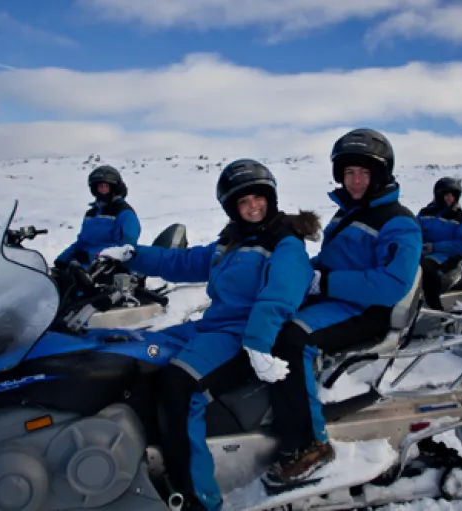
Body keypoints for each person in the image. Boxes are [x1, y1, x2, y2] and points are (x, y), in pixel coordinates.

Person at [99, 159, 320, 511]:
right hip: (210, 326)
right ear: (233, 208)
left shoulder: (285, 244)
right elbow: (181, 262)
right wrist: (132, 255)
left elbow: (280, 295)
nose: (252, 207)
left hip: (242, 335)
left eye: (257, 198)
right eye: (243, 202)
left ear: (270, 198)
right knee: (137, 354)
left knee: (180, 385)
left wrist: (259, 345)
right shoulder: (230, 243)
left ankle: (198, 497)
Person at [262, 128, 423, 489]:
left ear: (380, 175)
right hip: (334, 300)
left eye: (364, 173)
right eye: (349, 172)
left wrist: (327, 282)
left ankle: (311, 446)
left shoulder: (398, 222)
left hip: (367, 310)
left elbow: (391, 284)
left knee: (292, 339)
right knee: (267, 317)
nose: (355, 181)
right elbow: (330, 260)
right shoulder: (347, 214)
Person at [54, 165, 141, 271]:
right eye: (100, 186)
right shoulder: (91, 214)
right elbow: (81, 242)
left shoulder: (124, 213)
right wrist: (62, 259)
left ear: (113, 188)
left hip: (109, 269)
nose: (103, 190)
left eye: (106, 186)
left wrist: (90, 256)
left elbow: (124, 247)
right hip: (85, 267)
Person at [416, 177, 462, 310]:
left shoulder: (461, 217)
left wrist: (434, 247)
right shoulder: (425, 213)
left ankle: (435, 308)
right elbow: (414, 230)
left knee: (427, 267)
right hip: (422, 251)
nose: (450, 198)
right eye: (446, 194)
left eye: (453, 195)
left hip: (446, 255)